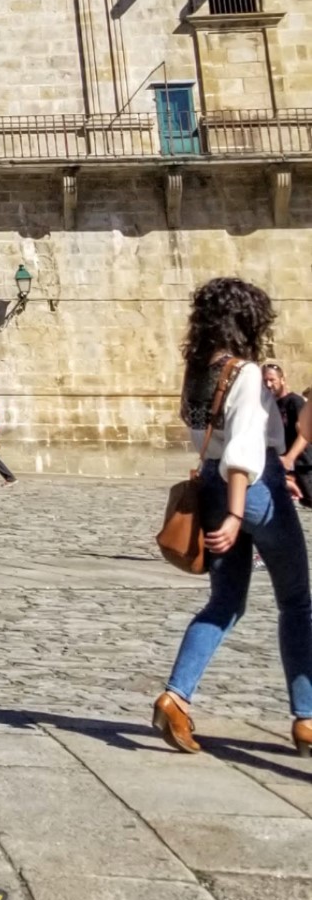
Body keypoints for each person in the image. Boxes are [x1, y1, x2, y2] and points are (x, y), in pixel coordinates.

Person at [154, 279, 312, 757]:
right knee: (298, 603)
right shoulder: (242, 372)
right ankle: (307, 716)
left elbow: (204, 436)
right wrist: (239, 510)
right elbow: (244, 446)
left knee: (225, 602)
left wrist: (224, 508)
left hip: (210, 483)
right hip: (251, 487)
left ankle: (175, 697)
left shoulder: (198, 371)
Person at [265, 362, 312, 506]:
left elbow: (305, 432)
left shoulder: (295, 402)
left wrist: (289, 458)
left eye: (272, 380)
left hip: (304, 466)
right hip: (285, 468)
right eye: (264, 380)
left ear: (282, 380)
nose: (268, 384)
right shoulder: (271, 405)